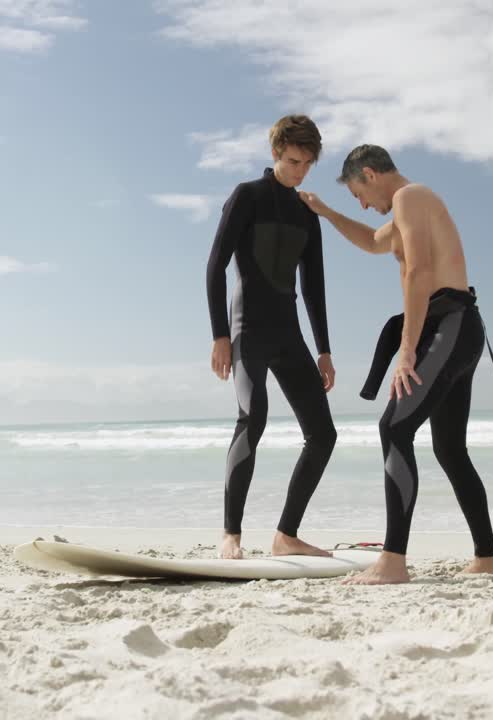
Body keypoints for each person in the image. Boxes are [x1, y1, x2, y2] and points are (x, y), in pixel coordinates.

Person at [300, 144, 493, 584]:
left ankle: (393, 560)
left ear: (370, 174)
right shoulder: (406, 211)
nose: (362, 204)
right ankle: (487, 557)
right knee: (449, 449)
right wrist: (325, 212)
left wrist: (407, 349)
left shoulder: (409, 197)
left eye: (358, 194)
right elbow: (370, 240)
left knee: (395, 427)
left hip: (449, 326)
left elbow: (419, 272)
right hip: (458, 328)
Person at [205, 115, 338, 560]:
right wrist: (220, 335)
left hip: (288, 333)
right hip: (247, 330)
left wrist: (323, 349)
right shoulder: (248, 196)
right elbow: (215, 265)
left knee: (323, 434)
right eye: (294, 161)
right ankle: (231, 535)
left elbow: (315, 284)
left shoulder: (307, 212)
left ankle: (285, 535)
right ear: (277, 153)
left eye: (307, 164)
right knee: (253, 417)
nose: (300, 171)